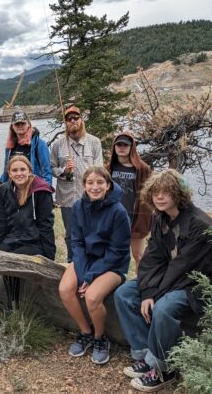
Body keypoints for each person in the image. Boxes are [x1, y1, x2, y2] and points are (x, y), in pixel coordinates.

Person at [114, 170, 212, 392]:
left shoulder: (200, 225)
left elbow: (184, 267)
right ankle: (147, 354)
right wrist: (147, 292)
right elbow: (152, 257)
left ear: (179, 194)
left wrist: (154, 294)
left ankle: (164, 368)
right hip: (171, 277)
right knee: (124, 294)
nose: (159, 197)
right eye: (155, 193)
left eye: (166, 192)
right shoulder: (160, 218)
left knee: (163, 308)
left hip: (199, 283)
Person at [58, 166, 130, 365]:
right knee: (65, 289)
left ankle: (100, 338)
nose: (95, 187)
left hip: (113, 264)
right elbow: (77, 242)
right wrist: (83, 272)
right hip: (86, 258)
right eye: (90, 182)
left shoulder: (119, 212)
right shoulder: (78, 206)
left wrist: (90, 276)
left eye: (100, 183)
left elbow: (117, 251)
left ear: (108, 185)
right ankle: (86, 332)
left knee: (91, 296)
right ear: (84, 185)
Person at [0, 156, 55, 325]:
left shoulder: (41, 191)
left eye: (22, 169)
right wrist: (1, 247)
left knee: (11, 261)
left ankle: (12, 309)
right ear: (9, 173)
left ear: (30, 171)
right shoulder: (3, 190)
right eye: (15, 170)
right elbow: (1, 222)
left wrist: (49, 255)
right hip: (12, 238)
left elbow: (46, 224)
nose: (19, 173)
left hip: (34, 242)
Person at [50, 106, 103, 262]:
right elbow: (52, 168)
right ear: (65, 123)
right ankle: (72, 262)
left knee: (91, 232)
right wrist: (64, 170)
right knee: (70, 233)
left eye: (75, 118)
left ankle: (92, 261)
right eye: (68, 119)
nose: (72, 121)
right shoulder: (58, 145)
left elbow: (99, 169)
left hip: (89, 197)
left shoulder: (94, 142)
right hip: (67, 198)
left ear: (81, 120)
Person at [107, 132, 152, 265]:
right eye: (119, 144)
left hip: (135, 217)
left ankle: (141, 283)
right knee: (116, 253)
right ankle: (116, 282)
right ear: (114, 147)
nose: (121, 148)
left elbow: (149, 194)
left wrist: (147, 216)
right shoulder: (109, 168)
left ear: (131, 147)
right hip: (115, 217)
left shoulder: (142, 168)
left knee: (138, 255)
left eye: (125, 145)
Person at [0, 110, 52, 186]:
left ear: (28, 124)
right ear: (12, 127)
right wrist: (0, 183)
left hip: (34, 188)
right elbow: (7, 170)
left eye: (22, 123)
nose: (20, 126)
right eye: (17, 124)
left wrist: (46, 189)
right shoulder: (9, 146)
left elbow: (47, 170)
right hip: (13, 190)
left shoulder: (39, 144)